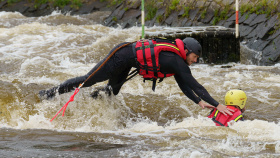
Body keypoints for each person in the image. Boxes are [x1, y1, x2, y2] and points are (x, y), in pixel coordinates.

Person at [39, 37, 234, 115]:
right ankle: (48, 94)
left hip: (129, 62)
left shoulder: (177, 62)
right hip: (121, 55)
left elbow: (184, 85)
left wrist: (199, 102)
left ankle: (85, 104)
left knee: (110, 92)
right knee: (88, 80)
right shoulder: (177, 60)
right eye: (194, 57)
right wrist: (218, 105)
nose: (195, 61)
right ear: (188, 51)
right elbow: (196, 85)